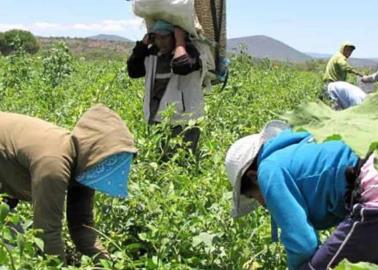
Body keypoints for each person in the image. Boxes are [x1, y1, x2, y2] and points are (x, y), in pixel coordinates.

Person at [225, 120, 378, 270]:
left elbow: (303, 245)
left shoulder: (268, 169)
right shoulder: (300, 146)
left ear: (253, 177)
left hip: (371, 190)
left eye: (253, 196)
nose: (262, 205)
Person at [0, 104, 137, 263]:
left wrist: (106, 262)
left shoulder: (83, 167)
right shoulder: (53, 165)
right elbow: (46, 232)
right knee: (12, 250)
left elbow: (82, 226)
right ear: (94, 151)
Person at [127, 20, 203, 154]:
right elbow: (133, 71)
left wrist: (180, 42)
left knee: (182, 164)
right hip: (156, 119)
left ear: (173, 36)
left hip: (184, 122)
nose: (160, 42)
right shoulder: (152, 53)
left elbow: (182, 66)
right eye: (156, 37)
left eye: (164, 37)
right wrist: (143, 45)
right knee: (159, 161)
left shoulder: (190, 52)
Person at [323, 42, 366, 109]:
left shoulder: (337, 56)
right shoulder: (340, 57)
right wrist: (360, 74)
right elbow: (345, 66)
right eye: (348, 50)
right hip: (332, 86)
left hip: (332, 85)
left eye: (351, 51)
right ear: (343, 49)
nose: (350, 53)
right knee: (335, 109)